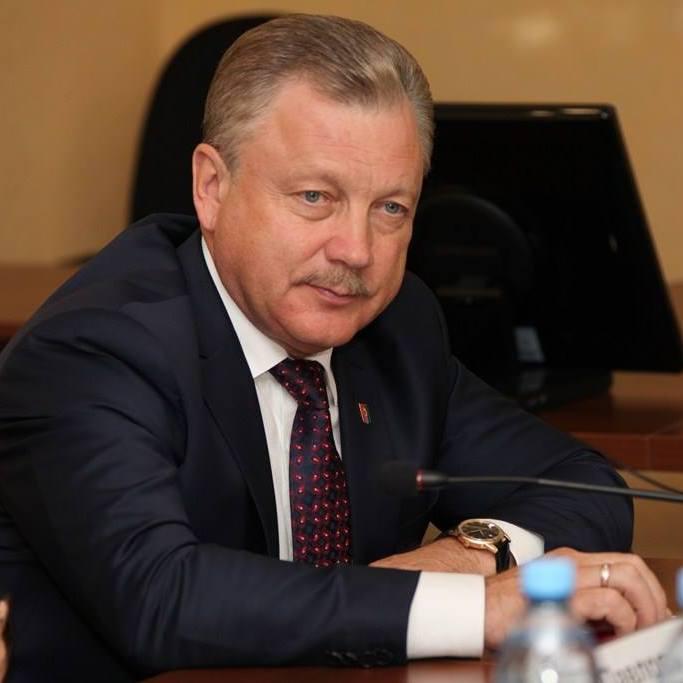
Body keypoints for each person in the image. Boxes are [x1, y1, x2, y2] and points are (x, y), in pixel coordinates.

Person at [0, 13, 667, 682]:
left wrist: (471, 556)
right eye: (315, 196)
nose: (356, 251)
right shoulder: (94, 349)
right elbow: (163, 600)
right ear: (212, 187)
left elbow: (583, 484)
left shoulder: (394, 325)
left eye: (390, 208)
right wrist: (470, 608)